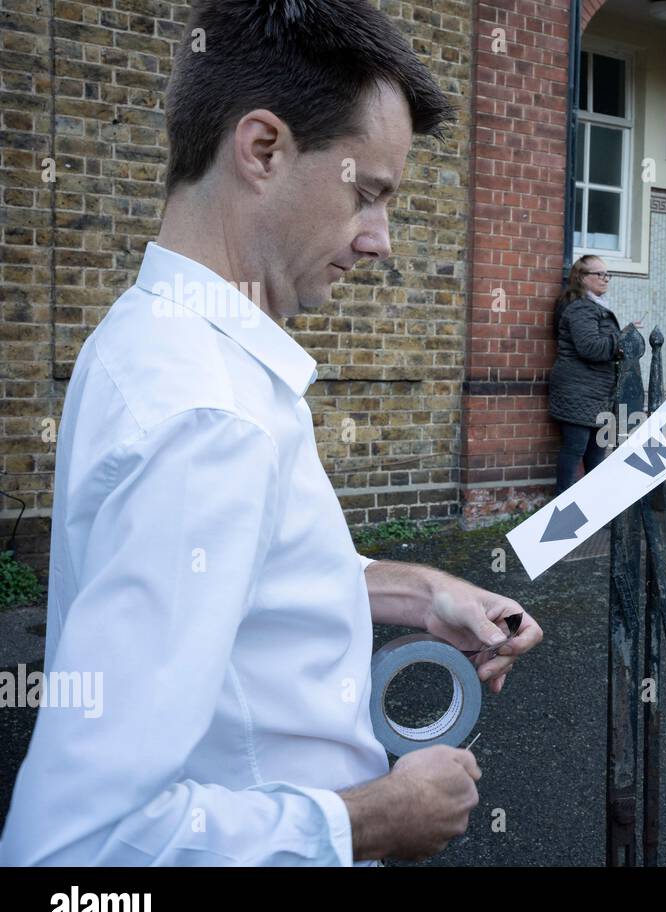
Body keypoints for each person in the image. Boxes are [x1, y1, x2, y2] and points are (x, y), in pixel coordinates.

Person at [0, 0, 542, 867]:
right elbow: (75, 850)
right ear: (262, 149)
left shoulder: (152, 340)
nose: (380, 241)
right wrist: (373, 818)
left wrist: (420, 593)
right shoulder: (209, 420)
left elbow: (250, 571)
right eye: (366, 195)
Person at [548, 255, 640, 494]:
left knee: (596, 451)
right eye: (598, 274)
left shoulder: (594, 306)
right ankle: (561, 508)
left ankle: (594, 507)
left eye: (606, 274)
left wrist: (622, 336)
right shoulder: (580, 307)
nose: (605, 278)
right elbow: (589, 347)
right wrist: (620, 342)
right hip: (578, 390)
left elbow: (600, 341)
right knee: (576, 449)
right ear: (581, 277)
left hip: (596, 392)